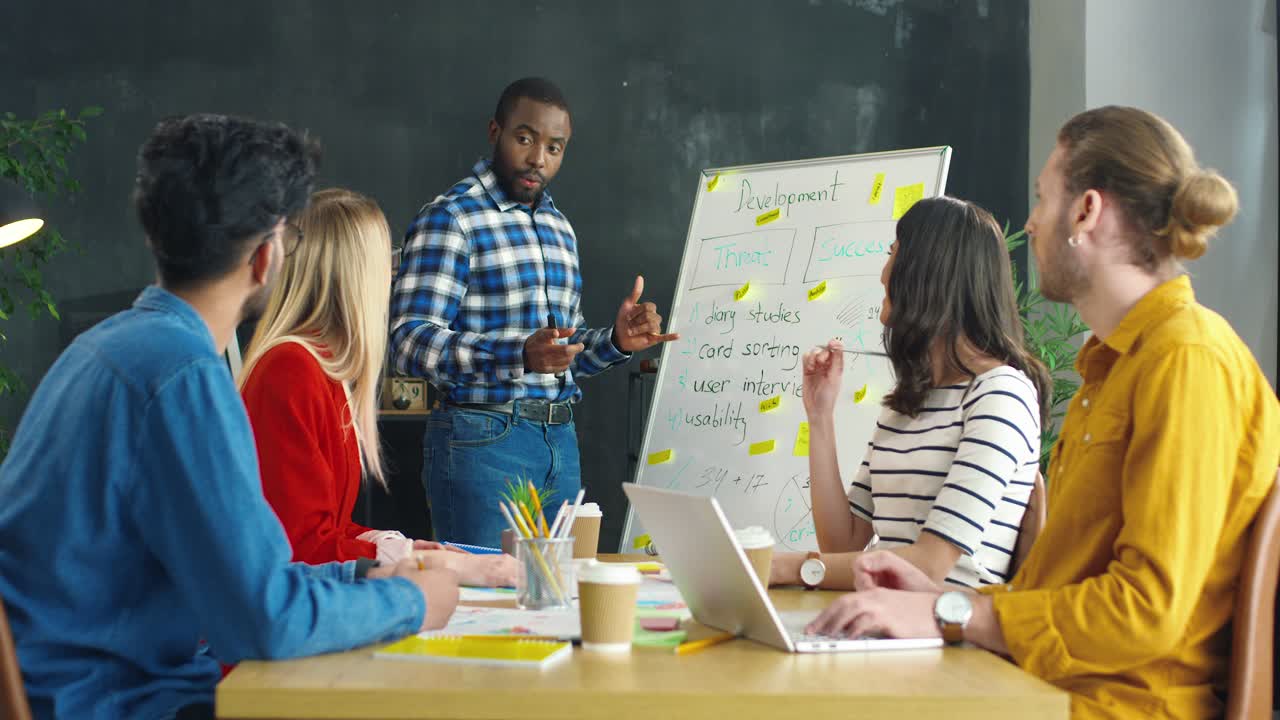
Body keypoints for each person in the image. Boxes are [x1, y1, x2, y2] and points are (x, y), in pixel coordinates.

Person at [806, 106, 1280, 720]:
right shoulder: (1108, 370)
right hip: (1047, 688)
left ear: (1086, 211)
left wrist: (952, 611)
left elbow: (1146, 611)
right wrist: (935, 600)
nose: (1029, 223)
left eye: (1041, 198)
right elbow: (1064, 597)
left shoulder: (1187, 360)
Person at [0, 115, 459, 720]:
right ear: (269, 256)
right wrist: (411, 602)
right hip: (121, 702)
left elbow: (254, 586)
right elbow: (264, 622)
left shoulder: (104, 349)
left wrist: (364, 579)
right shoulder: (182, 378)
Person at [390, 77, 677, 546]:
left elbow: (561, 353)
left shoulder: (559, 228)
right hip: (482, 440)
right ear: (495, 131)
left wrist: (617, 342)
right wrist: (518, 355)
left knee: (555, 605)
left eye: (554, 147)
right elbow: (408, 341)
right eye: (525, 138)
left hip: (558, 442)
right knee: (485, 606)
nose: (538, 158)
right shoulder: (452, 217)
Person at [770, 196, 1050, 591]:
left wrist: (785, 567)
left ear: (928, 270)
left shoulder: (1001, 395)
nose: (884, 273)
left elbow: (930, 565)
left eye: (894, 253)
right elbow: (840, 543)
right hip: (885, 618)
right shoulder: (910, 400)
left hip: (948, 634)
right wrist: (820, 417)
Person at [240, 188, 515, 586]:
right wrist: (442, 566)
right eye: (389, 260)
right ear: (356, 273)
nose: (393, 274)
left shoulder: (319, 369)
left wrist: (412, 550)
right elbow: (302, 549)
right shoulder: (291, 370)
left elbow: (324, 529)